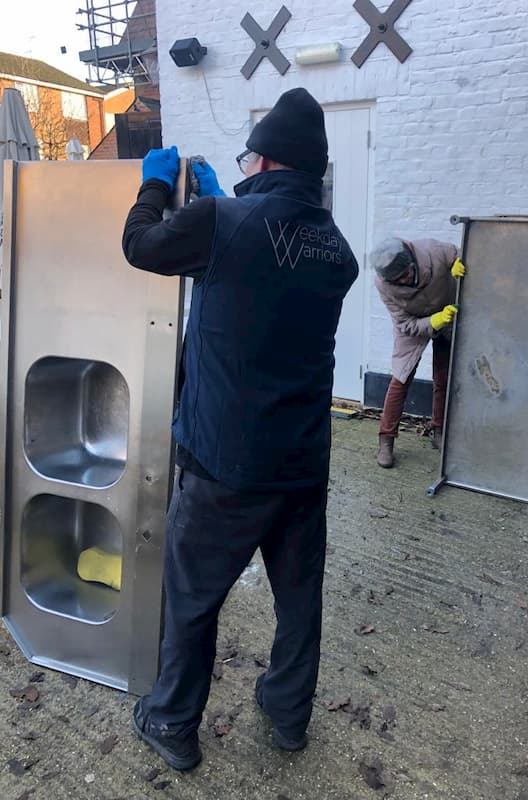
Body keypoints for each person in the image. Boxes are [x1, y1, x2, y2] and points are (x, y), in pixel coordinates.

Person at [121, 88, 358, 770]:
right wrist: (226, 206)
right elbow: (265, 273)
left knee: (191, 600)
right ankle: (287, 718)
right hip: (303, 462)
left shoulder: (222, 222)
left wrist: (156, 185)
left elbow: (140, 247)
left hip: (225, 464)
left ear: (264, 161)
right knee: (298, 602)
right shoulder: (336, 250)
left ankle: (170, 721)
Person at [372, 237, 466, 468]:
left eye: (406, 273)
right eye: (398, 280)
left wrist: (459, 261)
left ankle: (438, 431)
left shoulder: (433, 250)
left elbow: (461, 254)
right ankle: (386, 440)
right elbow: (406, 324)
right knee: (400, 379)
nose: (404, 281)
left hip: (449, 316)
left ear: (412, 260)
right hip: (413, 326)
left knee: (443, 377)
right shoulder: (383, 285)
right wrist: (434, 320)